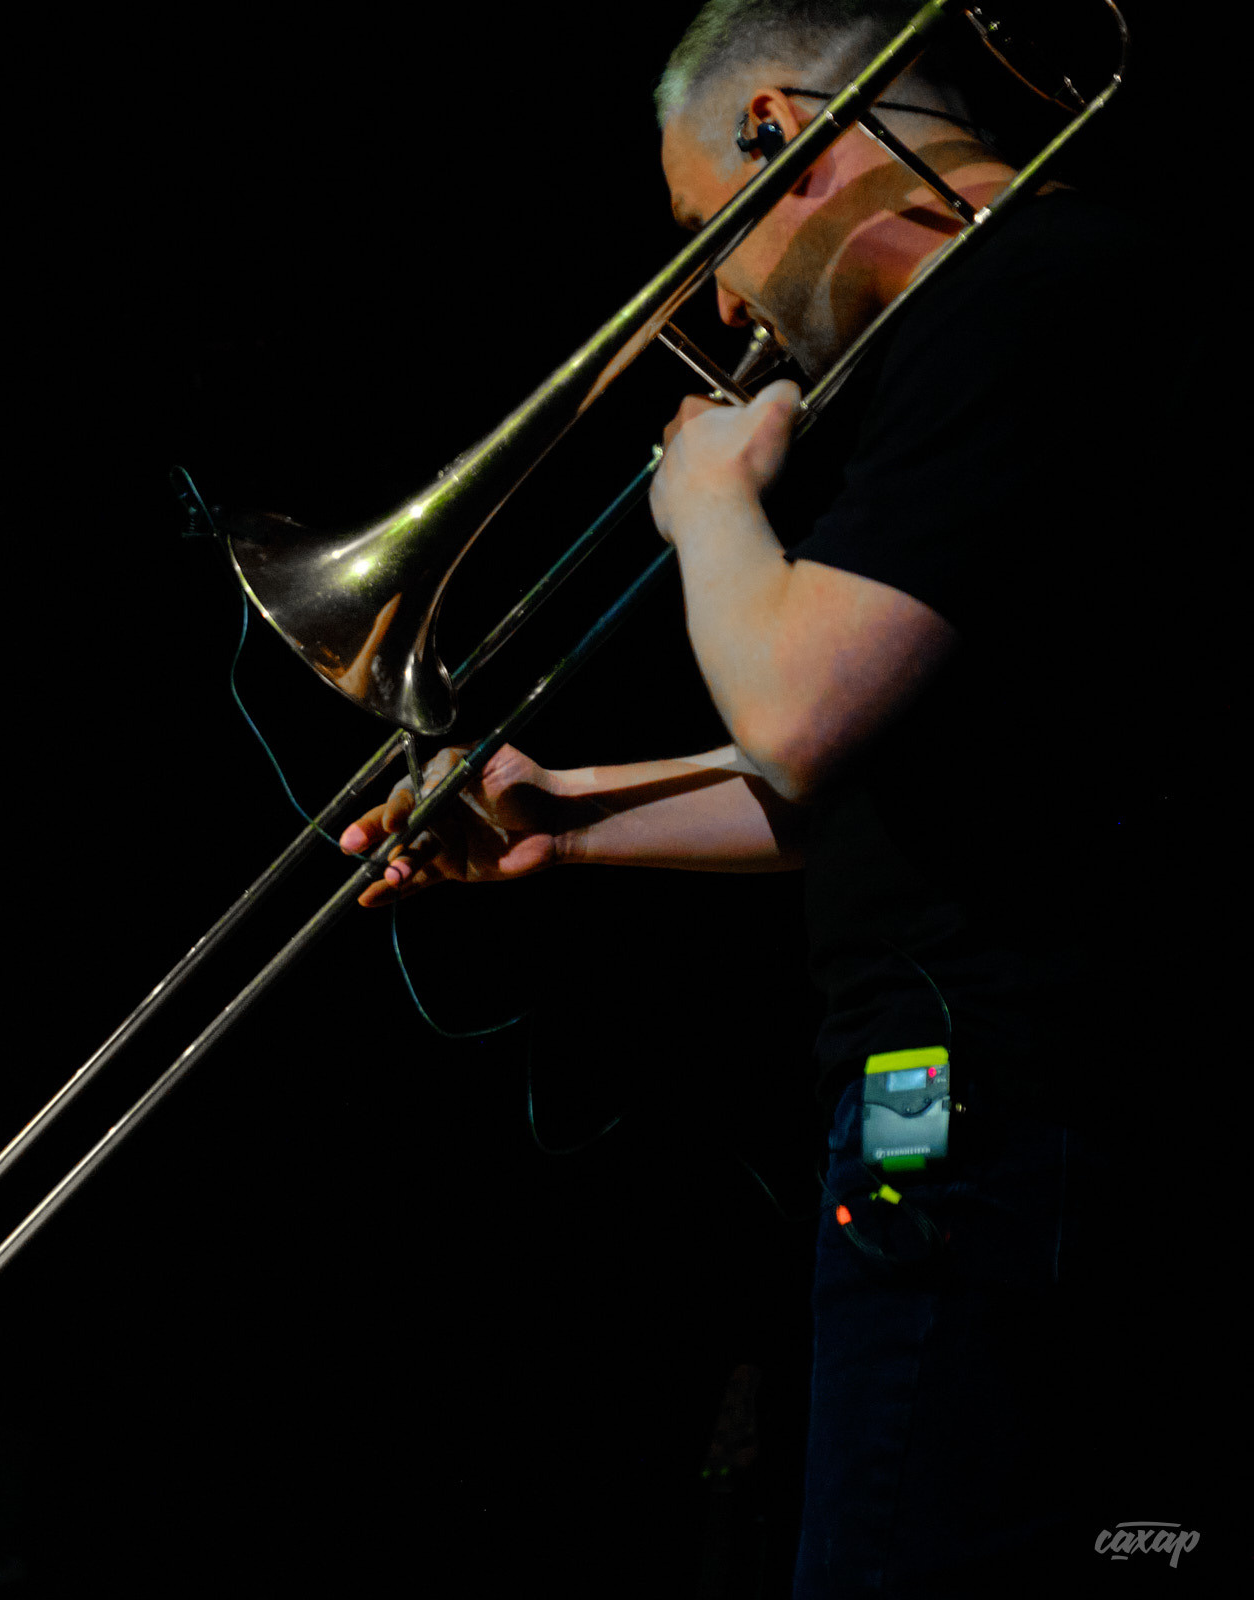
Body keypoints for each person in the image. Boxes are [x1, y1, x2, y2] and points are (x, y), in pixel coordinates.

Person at [341, 2, 1156, 1593]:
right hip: (1008, 1075)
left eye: (699, 232)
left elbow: (790, 716)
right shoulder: (1041, 305)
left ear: (786, 133)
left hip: (968, 1083)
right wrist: (564, 814)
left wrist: (710, 508)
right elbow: (874, 766)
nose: (711, 296)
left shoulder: (1019, 300)